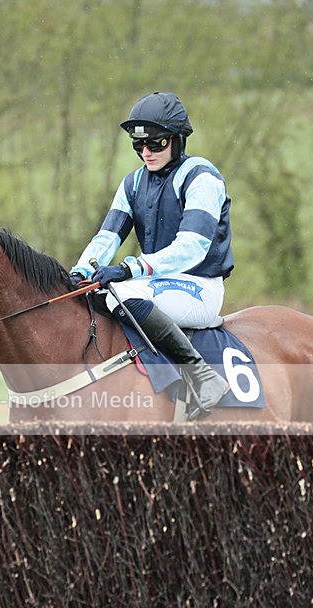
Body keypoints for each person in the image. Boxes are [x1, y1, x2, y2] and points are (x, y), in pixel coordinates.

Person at [70, 91, 232, 419]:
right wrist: (82, 271)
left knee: (122, 293)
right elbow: (107, 237)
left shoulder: (202, 177)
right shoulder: (132, 183)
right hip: (156, 285)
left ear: (177, 140)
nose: (146, 152)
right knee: (96, 295)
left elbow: (192, 246)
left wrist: (131, 268)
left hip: (199, 288)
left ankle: (202, 376)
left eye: (155, 144)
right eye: (138, 145)